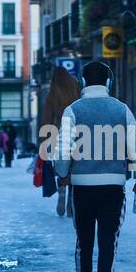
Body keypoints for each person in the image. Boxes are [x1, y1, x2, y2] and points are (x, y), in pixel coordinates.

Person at [52, 60, 136, 272]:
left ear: (83, 82)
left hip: (82, 187)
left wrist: (62, 173)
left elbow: (62, 151)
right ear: (109, 82)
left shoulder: (72, 110)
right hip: (113, 187)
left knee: (83, 240)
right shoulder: (122, 110)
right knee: (109, 241)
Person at [40, 66, 81, 217]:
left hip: (59, 136)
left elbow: (46, 120)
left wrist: (44, 141)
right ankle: (71, 199)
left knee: (62, 166)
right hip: (78, 135)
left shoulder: (53, 94)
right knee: (74, 168)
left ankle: (62, 190)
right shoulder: (77, 89)